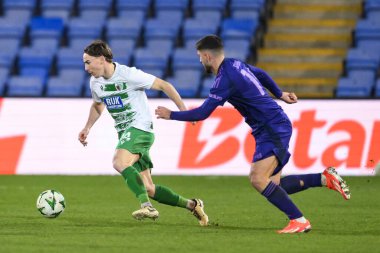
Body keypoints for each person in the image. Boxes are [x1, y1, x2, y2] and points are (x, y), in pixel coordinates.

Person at [155, 35, 350, 233]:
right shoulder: (235, 64)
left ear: (207, 56)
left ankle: (299, 220)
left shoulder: (224, 79)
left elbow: (203, 113)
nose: (199, 60)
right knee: (274, 184)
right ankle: (323, 179)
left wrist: (171, 114)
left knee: (258, 179)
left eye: (199, 56)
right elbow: (261, 73)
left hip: (271, 127)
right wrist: (279, 93)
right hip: (272, 125)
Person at [78, 40, 208, 226]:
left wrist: (184, 111)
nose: (85, 68)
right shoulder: (95, 82)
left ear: (101, 59)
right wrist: (87, 127)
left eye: (88, 62)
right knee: (148, 187)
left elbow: (164, 85)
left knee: (119, 162)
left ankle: (147, 206)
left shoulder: (128, 75)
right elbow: (98, 105)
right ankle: (193, 205)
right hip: (125, 133)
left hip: (140, 128)